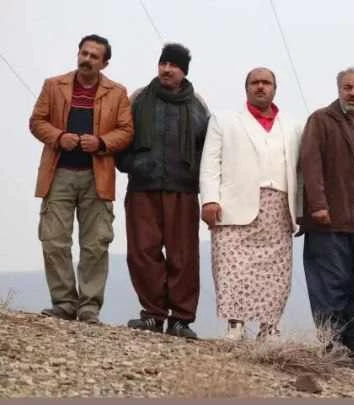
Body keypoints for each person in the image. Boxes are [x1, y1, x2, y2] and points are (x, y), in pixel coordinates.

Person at [29, 34, 133, 325]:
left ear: (104, 63)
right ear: (78, 54)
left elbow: (126, 131)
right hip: (58, 174)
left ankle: (89, 308)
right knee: (53, 240)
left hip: (97, 177)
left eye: (94, 56)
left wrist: (101, 143)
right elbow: (36, 122)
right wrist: (59, 137)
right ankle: (63, 303)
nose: (87, 59)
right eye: (84, 53)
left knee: (95, 244)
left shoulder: (117, 92)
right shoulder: (53, 85)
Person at [200, 67, 302, 341]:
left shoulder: (293, 125)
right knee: (231, 266)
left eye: (266, 82)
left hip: (278, 206)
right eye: (254, 82)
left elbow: (301, 170)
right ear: (246, 88)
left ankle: (270, 327)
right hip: (233, 205)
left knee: (275, 270)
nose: (260, 87)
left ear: (274, 89)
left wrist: (302, 209)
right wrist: (209, 199)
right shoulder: (224, 121)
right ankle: (236, 324)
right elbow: (210, 163)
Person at [117, 43, 210, 339]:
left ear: (184, 71)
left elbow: (207, 148)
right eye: (163, 63)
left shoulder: (198, 105)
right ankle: (153, 315)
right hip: (143, 186)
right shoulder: (138, 98)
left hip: (183, 190)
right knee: (143, 252)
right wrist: (132, 164)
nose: (167, 69)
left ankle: (181, 320)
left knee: (183, 255)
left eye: (174, 65)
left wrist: (196, 177)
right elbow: (121, 135)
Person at [299, 67, 354, 370]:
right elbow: (310, 164)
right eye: (348, 87)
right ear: (339, 88)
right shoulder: (321, 120)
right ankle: (329, 343)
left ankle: (352, 342)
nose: (353, 93)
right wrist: (318, 205)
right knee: (329, 283)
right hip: (329, 218)